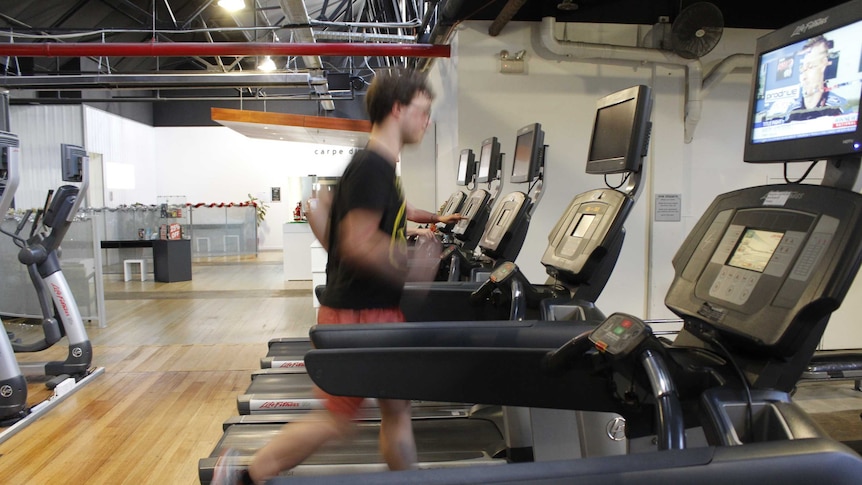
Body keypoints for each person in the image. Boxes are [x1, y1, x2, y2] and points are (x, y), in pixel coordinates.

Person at [212, 69, 458, 485]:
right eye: (423, 111)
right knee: (337, 418)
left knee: (396, 408)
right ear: (398, 109)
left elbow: (346, 240)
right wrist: (413, 263)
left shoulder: (377, 168)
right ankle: (245, 476)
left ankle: (409, 480)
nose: (427, 121)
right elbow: (360, 244)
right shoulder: (371, 167)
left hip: (371, 312)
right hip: (363, 317)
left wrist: (422, 232)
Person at [786, 35, 846, 121]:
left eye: (811, 67)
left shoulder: (837, 108)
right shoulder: (791, 110)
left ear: (824, 65)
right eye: (802, 69)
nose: (804, 77)